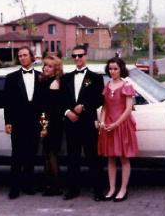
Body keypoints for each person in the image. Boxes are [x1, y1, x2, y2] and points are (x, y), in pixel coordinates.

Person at [61, 45, 106, 201]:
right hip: (71, 123)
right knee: (72, 158)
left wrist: (84, 106)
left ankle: (98, 190)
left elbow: (100, 99)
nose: (77, 58)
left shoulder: (96, 77)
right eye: (74, 56)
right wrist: (68, 112)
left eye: (80, 55)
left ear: (86, 56)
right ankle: (73, 189)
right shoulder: (66, 78)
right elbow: (61, 100)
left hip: (88, 123)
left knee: (93, 157)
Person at [98, 57, 138, 202]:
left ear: (121, 69)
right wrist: (102, 121)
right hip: (109, 126)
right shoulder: (107, 85)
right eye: (110, 69)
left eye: (115, 68)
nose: (112, 71)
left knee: (124, 158)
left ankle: (123, 189)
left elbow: (128, 109)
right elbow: (105, 107)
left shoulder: (126, 85)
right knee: (110, 159)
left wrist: (116, 124)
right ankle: (112, 188)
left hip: (121, 126)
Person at [4, 46, 41, 199]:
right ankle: (14, 188)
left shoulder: (41, 76)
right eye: (20, 56)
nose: (23, 58)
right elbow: (8, 102)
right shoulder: (11, 77)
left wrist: (43, 124)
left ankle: (28, 185)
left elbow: (44, 104)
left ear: (31, 57)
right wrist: (8, 121)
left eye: (25, 55)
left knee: (31, 155)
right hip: (18, 122)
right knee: (17, 156)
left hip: (34, 122)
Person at [38, 55, 65, 196]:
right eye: (45, 65)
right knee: (47, 154)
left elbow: (51, 110)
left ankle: (56, 186)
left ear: (56, 69)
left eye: (50, 66)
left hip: (53, 124)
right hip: (48, 121)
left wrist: (44, 127)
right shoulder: (46, 81)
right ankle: (49, 184)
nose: (46, 68)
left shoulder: (55, 84)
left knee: (52, 154)